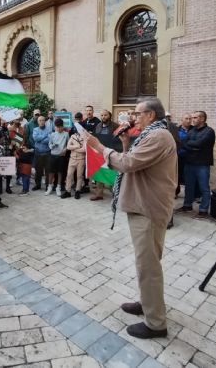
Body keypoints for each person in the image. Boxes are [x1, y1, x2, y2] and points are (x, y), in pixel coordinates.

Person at [84, 98, 177, 340]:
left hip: (149, 208)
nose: (132, 117)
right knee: (145, 263)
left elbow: (128, 164)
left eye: (137, 113)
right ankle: (147, 303)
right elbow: (132, 163)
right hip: (143, 205)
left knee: (149, 267)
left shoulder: (159, 137)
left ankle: (156, 323)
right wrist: (125, 144)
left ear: (151, 115)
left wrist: (99, 147)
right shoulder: (150, 135)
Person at [178, 111, 215, 218]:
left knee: (204, 187)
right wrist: (193, 147)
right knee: (189, 186)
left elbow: (199, 144)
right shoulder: (192, 130)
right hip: (189, 163)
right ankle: (187, 205)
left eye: (195, 117)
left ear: (202, 119)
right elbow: (183, 142)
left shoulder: (209, 131)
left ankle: (203, 210)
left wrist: (191, 145)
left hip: (202, 164)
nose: (192, 119)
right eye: (192, 117)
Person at [91, 110, 119, 201]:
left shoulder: (115, 126)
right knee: (100, 174)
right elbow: (95, 138)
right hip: (100, 154)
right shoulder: (98, 126)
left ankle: (115, 195)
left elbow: (119, 140)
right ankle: (99, 194)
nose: (103, 117)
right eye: (102, 115)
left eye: (105, 115)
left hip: (111, 153)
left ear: (110, 116)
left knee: (112, 174)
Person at [62, 123, 86, 199]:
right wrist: (76, 146)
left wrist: (74, 148)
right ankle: (68, 191)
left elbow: (84, 149)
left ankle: (77, 191)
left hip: (81, 159)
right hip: (72, 159)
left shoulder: (85, 137)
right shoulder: (72, 136)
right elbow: (68, 147)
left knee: (79, 176)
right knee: (69, 175)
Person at [46, 118, 69, 196]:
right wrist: (53, 145)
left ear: (63, 126)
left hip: (61, 156)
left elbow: (68, 144)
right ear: (55, 127)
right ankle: (49, 187)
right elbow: (49, 144)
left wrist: (65, 150)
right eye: (57, 127)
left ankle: (58, 187)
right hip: (53, 155)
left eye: (60, 127)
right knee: (51, 172)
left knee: (60, 172)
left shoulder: (66, 134)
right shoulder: (52, 134)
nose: (59, 129)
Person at [32, 116, 51, 191]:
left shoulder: (49, 129)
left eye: (43, 120)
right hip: (38, 153)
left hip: (47, 153)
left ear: (45, 121)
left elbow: (49, 140)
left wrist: (40, 139)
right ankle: (37, 185)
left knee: (47, 171)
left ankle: (47, 186)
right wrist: (45, 136)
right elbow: (35, 138)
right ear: (38, 122)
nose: (42, 121)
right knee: (38, 170)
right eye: (40, 120)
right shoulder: (35, 129)